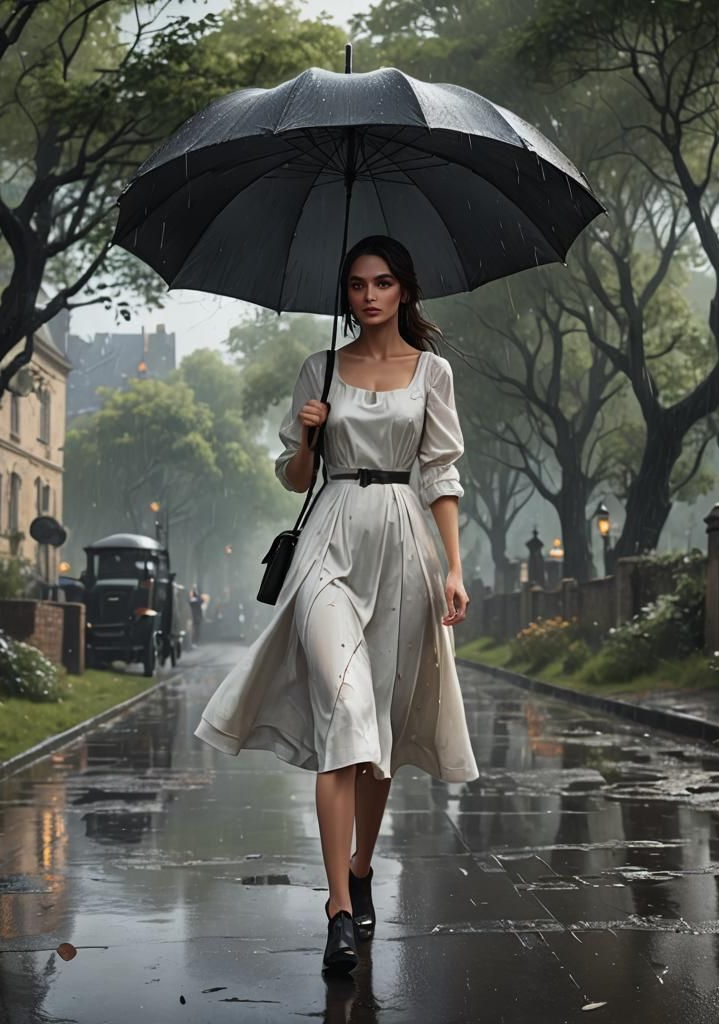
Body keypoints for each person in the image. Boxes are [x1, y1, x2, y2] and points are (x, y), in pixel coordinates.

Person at [194, 235, 478, 973]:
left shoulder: (433, 373)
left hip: (404, 547)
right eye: (356, 284)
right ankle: (338, 909)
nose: (369, 295)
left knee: (378, 730)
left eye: (383, 283)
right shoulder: (318, 368)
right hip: (329, 542)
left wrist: (453, 569)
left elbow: (441, 474)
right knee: (344, 713)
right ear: (345, 294)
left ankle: (361, 866)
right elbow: (295, 480)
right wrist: (308, 439)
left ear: (405, 291)